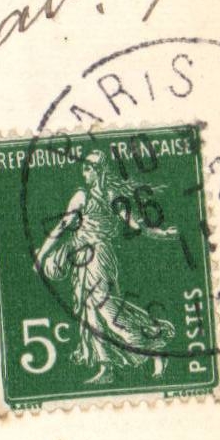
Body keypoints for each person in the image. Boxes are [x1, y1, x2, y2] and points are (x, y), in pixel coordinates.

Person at [32, 148, 179, 386]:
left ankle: (155, 346)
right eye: (84, 168)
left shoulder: (111, 196)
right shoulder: (80, 196)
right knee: (90, 315)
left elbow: (134, 224)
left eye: (89, 168)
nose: (85, 172)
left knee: (108, 312)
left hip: (100, 257)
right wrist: (41, 254)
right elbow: (61, 226)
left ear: (99, 170)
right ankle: (106, 367)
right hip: (82, 257)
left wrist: (161, 233)